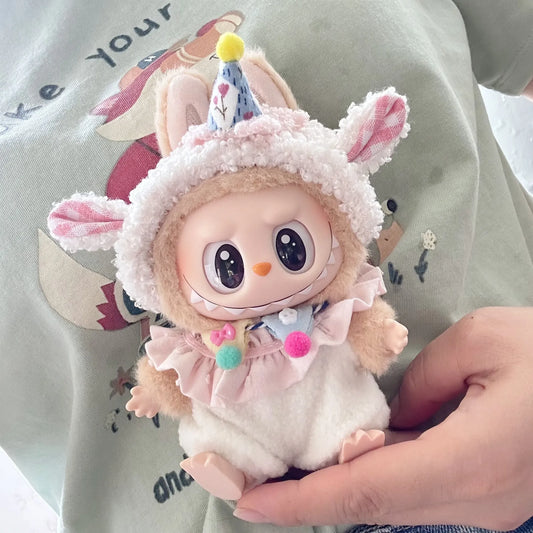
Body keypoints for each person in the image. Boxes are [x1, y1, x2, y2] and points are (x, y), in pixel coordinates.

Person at [1, 1, 532, 532]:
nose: (257, 271)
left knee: (343, 408)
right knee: (222, 432)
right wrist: (155, 387)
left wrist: (379, 334)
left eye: (289, 248)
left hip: (496, 477)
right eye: (228, 264)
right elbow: (171, 374)